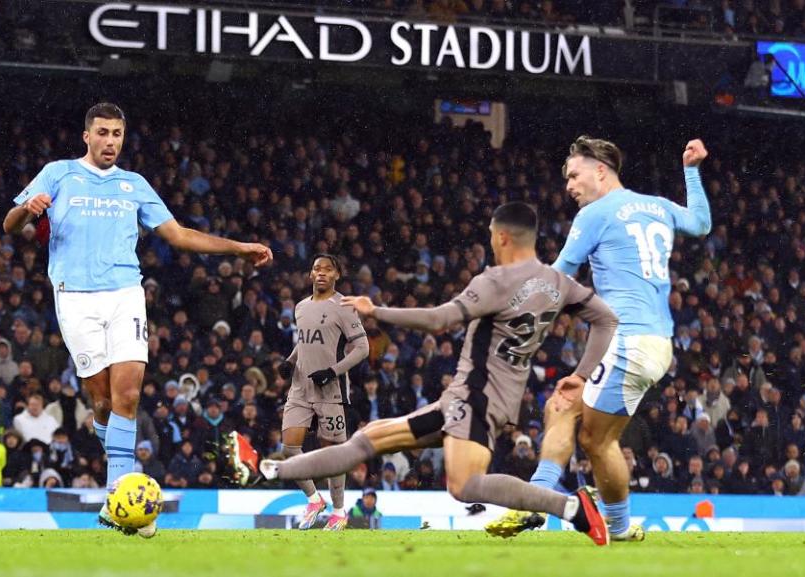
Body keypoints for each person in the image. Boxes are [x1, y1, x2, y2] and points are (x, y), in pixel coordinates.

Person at [261, 203, 617, 546]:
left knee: (464, 485)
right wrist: (582, 375)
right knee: (368, 438)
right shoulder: (559, 282)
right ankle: (270, 470)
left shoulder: (495, 280)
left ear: (504, 237)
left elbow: (440, 320)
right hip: (477, 398)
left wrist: (377, 311)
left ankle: (570, 507)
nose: (491, 241)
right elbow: (606, 320)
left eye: (492, 235)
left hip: (473, 398)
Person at [1, 102, 272, 537]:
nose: (110, 142)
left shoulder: (134, 185)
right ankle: (127, 487)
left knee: (128, 395)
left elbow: (178, 235)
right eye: (103, 133)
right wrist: (28, 209)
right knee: (103, 403)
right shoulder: (58, 173)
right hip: (74, 297)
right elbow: (10, 225)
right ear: (87, 136)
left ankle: (118, 501)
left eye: (117, 135)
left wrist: (238, 247)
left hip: (126, 293)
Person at [488, 136, 711, 541]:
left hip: (628, 339)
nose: (569, 185)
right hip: (657, 343)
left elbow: (558, 278)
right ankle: (618, 528)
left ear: (600, 171)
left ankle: (537, 501)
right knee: (587, 429)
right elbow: (701, 223)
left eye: (574, 175)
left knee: (577, 419)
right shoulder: (657, 206)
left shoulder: (595, 214)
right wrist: (691, 172)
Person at [276, 254, 369, 531]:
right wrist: (290, 361)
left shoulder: (344, 307)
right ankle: (314, 500)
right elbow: (305, 342)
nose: (321, 273)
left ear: (336, 275)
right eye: (317, 269)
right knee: (289, 448)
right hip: (299, 387)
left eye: (327, 270)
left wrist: (333, 371)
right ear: (310, 274)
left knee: (333, 454)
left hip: (330, 390)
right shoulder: (301, 307)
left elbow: (362, 348)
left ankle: (339, 512)